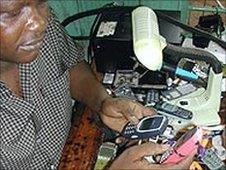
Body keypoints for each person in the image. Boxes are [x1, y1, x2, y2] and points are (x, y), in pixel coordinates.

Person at [0, 0, 195, 169]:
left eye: (41, 3)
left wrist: (102, 102)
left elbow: (71, 65)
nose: (40, 23)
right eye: (13, 13)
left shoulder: (43, 31)